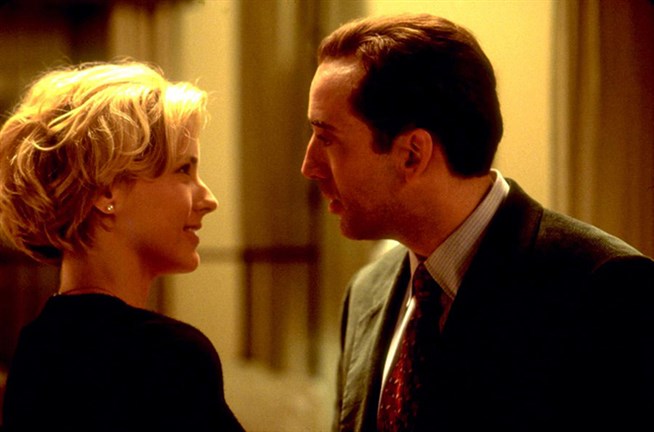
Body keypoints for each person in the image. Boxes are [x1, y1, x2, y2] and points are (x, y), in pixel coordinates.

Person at [300, 14, 654, 432]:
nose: (309, 166)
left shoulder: (606, 290)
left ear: (412, 154)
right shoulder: (366, 292)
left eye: (327, 138)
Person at [0, 61, 244, 431]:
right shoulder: (167, 356)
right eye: (184, 170)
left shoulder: (35, 348)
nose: (209, 199)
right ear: (106, 191)